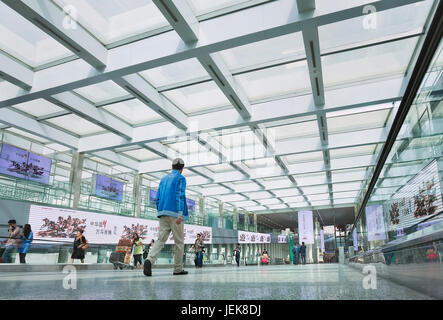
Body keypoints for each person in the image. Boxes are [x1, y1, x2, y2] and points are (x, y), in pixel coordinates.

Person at [144, 158, 189, 276]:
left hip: (163, 213)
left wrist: (160, 210)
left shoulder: (163, 179)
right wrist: (180, 213)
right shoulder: (181, 178)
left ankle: (149, 260)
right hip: (175, 214)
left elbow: (157, 197)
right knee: (179, 242)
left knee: (160, 240)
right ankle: (178, 269)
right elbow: (180, 195)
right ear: (182, 168)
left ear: (171, 167)